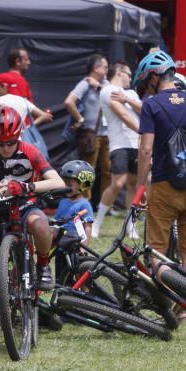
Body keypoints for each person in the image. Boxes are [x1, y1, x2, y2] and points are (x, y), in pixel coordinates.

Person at [0, 107, 63, 352]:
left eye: (10, 143)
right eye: (0, 143)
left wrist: (27, 187)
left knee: (40, 224)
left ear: (18, 137)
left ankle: (43, 264)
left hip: (26, 206)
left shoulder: (30, 151)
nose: (5, 148)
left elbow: (57, 181)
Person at [134, 50, 186, 325]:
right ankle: (185, 311)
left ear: (155, 77)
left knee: (156, 249)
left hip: (164, 184)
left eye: (146, 81)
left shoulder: (152, 105)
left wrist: (140, 188)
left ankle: (168, 307)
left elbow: (145, 151)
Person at [94, 62, 140, 239]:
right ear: (120, 73)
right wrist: (144, 131)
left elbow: (145, 110)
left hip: (136, 144)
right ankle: (97, 222)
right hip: (119, 144)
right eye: (129, 74)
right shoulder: (108, 90)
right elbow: (124, 115)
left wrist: (128, 99)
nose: (131, 78)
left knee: (133, 185)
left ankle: (131, 225)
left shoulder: (131, 93)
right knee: (117, 184)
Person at [64, 54, 110, 193]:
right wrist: (80, 119)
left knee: (108, 170)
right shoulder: (84, 84)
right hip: (91, 135)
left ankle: (106, 204)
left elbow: (113, 97)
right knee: (87, 171)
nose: (108, 70)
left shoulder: (106, 85)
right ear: (96, 68)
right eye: (105, 67)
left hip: (108, 133)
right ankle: (84, 201)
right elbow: (69, 101)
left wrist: (99, 87)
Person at [0, 75, 52, 159]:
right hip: (23, 142)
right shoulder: (23, 100)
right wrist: (26, 128)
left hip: (6, 144)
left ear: (4, 86)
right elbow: (44, 115)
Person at [54, 160, 96, 242]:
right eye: (64, 184)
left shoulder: (84, 205)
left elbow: (88, 227)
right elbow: (56, 221)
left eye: (69, 185)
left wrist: (83, 248)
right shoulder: (63, 201)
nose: (66, 187)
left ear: (83, 185)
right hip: (60, 239)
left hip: (74, 242)